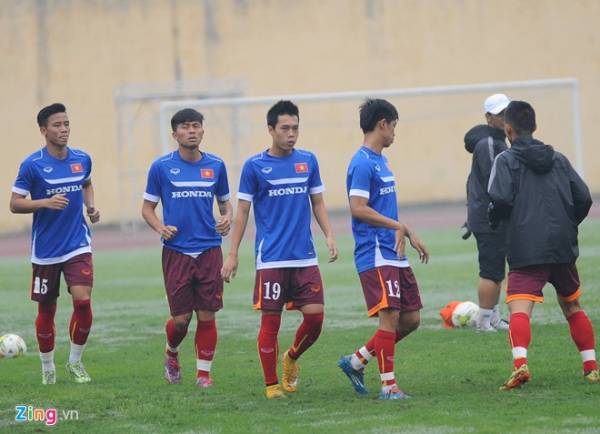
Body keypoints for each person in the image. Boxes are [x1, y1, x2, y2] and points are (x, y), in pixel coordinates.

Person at [221, 100, 338, 399]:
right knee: (270, 323)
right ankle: (271, 385)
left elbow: (318, 202)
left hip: (304, 256)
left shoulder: (308, 161)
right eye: (285, 128)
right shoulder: (254, 167)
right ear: (271, 130)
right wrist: (232, 253)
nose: (291, 134)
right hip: (271, 258)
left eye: (295, 128)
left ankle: (291, 358)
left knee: (315, 318)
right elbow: (243, 212)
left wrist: (329, 235)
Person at [488, 100, 598, 390]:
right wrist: (568, 223)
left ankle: (520, 365)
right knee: (572, 306)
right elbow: (584, 197)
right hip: (562, 247)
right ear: (534, 127)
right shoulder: (559, 159)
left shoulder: (506, 161)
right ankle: (591, 368)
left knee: (520, 310)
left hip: (526, 249)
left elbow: (498, 200)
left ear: (508, 129)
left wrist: (496, 222)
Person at [337, 99, 429, 400]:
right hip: (374, 252)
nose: (394, 134)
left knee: (411, 318)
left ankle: (356, 361)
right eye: (394, 127)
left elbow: (383, 209)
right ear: (382, 124)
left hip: (393, 251)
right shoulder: (362, 163)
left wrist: (407, 230)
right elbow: (358, 208)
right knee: (389, 317)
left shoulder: (382, 161)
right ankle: (389, 387)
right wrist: (396, 227)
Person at [10, 103, 99, 385]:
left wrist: (91, 207)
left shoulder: (82, 158)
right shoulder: (32, 165)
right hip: (46, 250)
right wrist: (44, 203)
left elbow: (86, 184)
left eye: (67, 124)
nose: (64, 130)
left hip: (77, 244)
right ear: (43, 130)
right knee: (47, 309)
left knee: (83, 301)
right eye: (58, 125)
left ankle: (75, 362)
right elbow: (15, 204)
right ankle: (48, 367)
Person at [142, 108, 232, 387]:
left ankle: (203, 374)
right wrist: (160, 227)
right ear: (175, 134)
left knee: (207, 314)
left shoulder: (216, 165)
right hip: (177, 251)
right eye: (185, 127)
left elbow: (225, 203)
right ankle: (171, 352)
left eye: (196, 126)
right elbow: (147, 209)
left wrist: (227, 216)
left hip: (209, 249)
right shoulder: (161, 167)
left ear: (202, 130)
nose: (191, 130)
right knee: (181, 320)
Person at [463, 93, 510, 332]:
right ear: (489, 117)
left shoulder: (496, 140)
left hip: (489, 216)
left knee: (496, 270)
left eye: (507, 112)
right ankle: (483, 321)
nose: (505, 118)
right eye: (500, 114)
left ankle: (493, 316)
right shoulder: (489, 143)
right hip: (489, 218)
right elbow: (495, 182)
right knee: (490, 271)